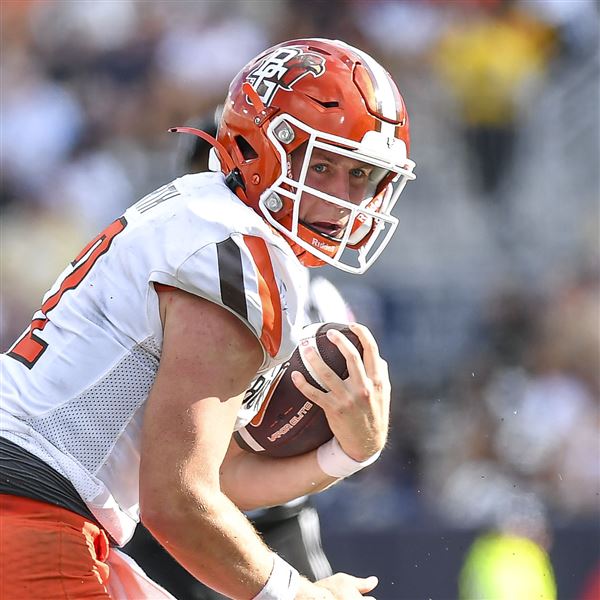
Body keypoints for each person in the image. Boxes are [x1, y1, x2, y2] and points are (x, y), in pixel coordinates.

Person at [0, 38, 416, 599]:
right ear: (260, 147)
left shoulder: (200, 213)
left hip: (42, 502)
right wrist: (298, 594)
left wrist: (346, 453)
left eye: (361, 176)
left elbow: (208, 478)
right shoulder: (235, 250)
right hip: (30, 511)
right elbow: (177, 501)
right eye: (322, 166)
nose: (343, 198)